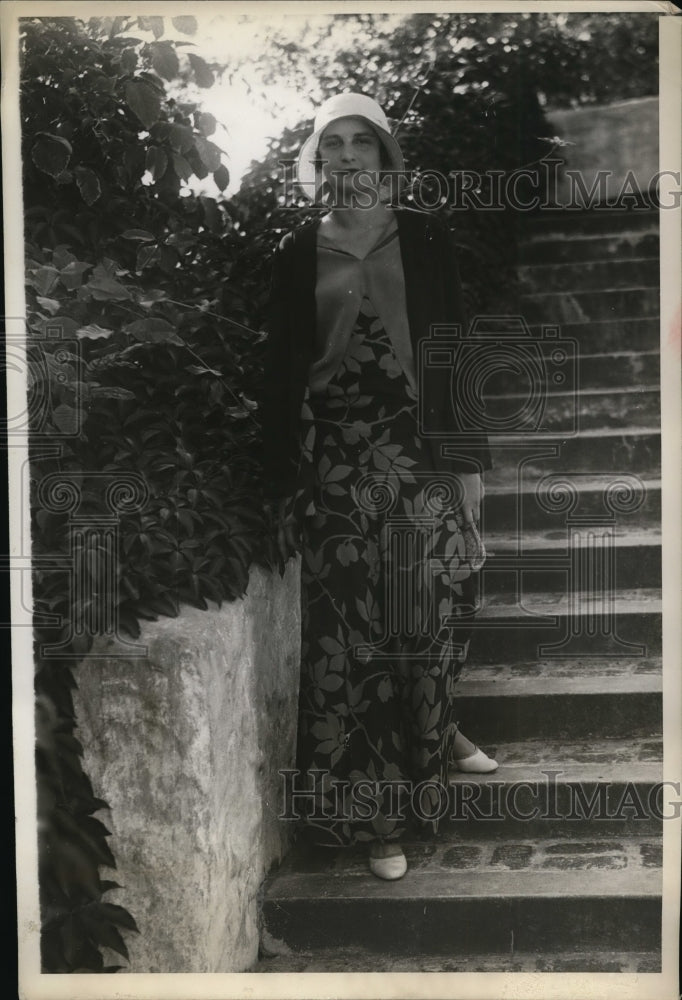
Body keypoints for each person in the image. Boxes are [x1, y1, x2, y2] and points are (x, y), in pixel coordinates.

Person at [261, 93, 497, 881]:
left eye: (364, 142)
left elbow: (454, 353)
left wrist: (468, 476)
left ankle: (439, 738)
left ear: (386, 157)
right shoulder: (298, 251)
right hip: (335, 463)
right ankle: (373, 821)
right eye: (335, 143)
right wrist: (281, 481)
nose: (350, 156)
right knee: (347, 640)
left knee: (422, 619)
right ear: (318, 159)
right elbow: (280, 370)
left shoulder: (425, 238)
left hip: (418, 454)